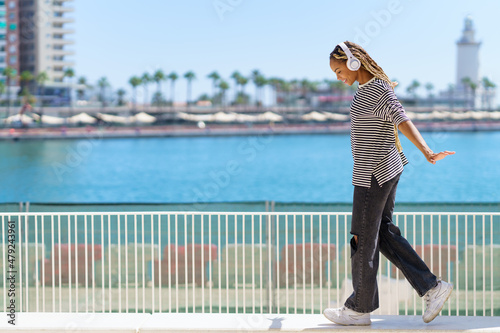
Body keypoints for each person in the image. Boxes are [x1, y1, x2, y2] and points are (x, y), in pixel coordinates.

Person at [323, 41, 455, 326]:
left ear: (353, 62)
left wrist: (427, 151)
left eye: (338, 69)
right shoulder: (368, 90)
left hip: (374, 175)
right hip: (378, 171)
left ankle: (358, 309)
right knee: (380, 233)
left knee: (362, 238)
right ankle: (432, 287)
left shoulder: (378, 90)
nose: (338, 76)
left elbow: (401, 120)